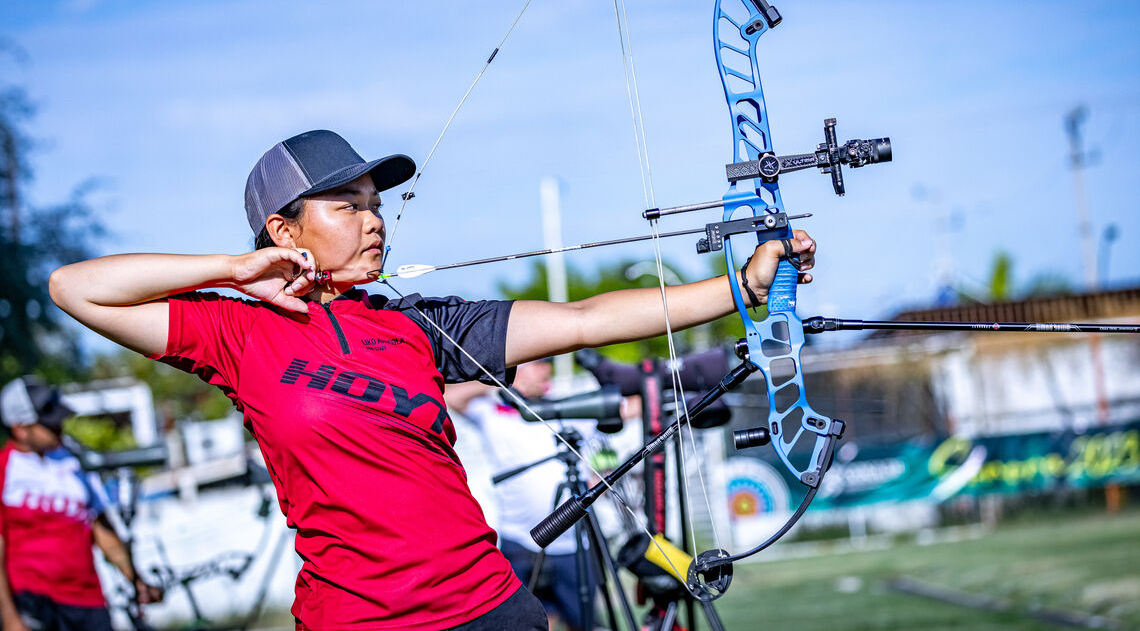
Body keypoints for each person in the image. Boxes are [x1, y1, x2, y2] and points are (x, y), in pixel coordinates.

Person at [48, 129, 816, 631]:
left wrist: (742, 286)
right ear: (284, 230)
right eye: (346, 207)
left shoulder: (419, 325)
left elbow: (584, 319)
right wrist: (232, 269)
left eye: (376, 206)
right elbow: (75, 289)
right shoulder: (236, 333)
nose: (374, 221)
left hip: (489, 605)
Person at [446, 359, 631, 631]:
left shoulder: (565, 409)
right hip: (519, 543)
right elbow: (450, 397)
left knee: (585, 623)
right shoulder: (492, 411)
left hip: (572, 546)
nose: (546, 370)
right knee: (525, 623)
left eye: (547, 364)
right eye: (536, 364)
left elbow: (628, 407)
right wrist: (502, 379)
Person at [0, 376, 164, 631]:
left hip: (88, 601)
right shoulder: (4, 469)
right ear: (20, 428)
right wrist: (10, 619)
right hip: (33, 602)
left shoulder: (76, 463)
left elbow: (102, 529)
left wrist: (135, 579)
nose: (60, 427)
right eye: (49, 424)